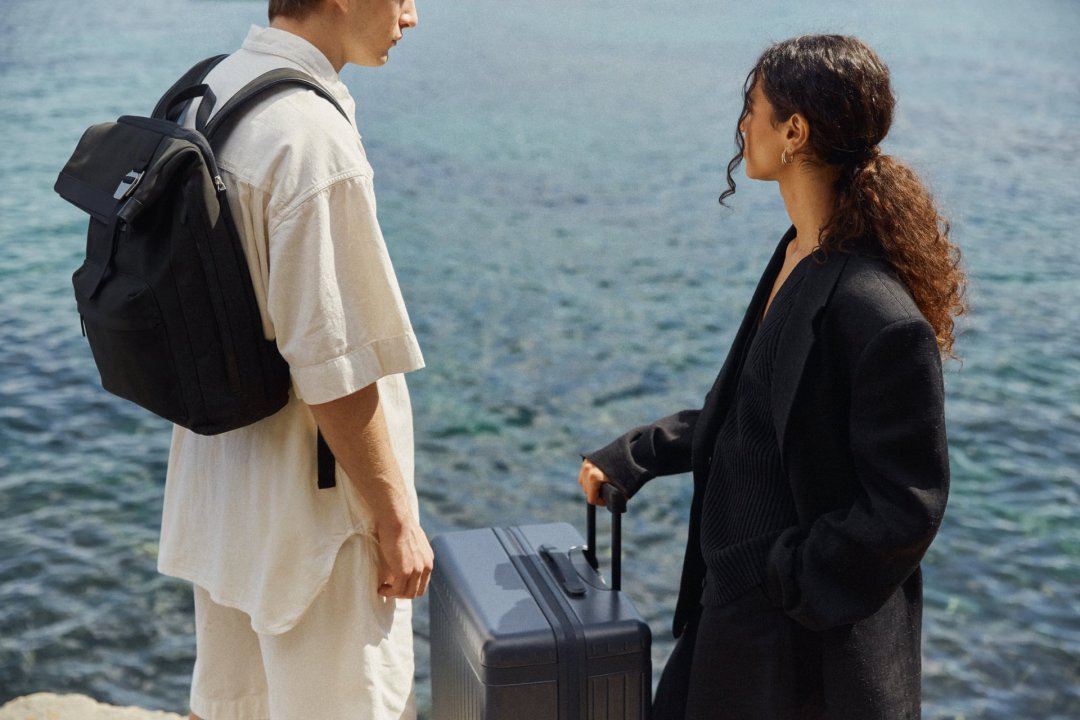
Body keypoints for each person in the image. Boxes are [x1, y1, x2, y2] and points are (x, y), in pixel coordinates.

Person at [578, 34, 965, 719]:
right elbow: (756, 410)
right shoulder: (797, 251)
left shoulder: (877, 313)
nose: (741, 125)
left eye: (752, 107)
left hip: (803, 656)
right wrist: (639, 455)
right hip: (732, 614)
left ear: (795, 130)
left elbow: (905, 509)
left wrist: (784, 573)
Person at [156, 1, 431, 718]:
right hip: (313, 530)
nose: (412, 15)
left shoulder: (209, 89)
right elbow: (333, 368)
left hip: (226, 494)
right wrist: (397, 520)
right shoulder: (311, 141)